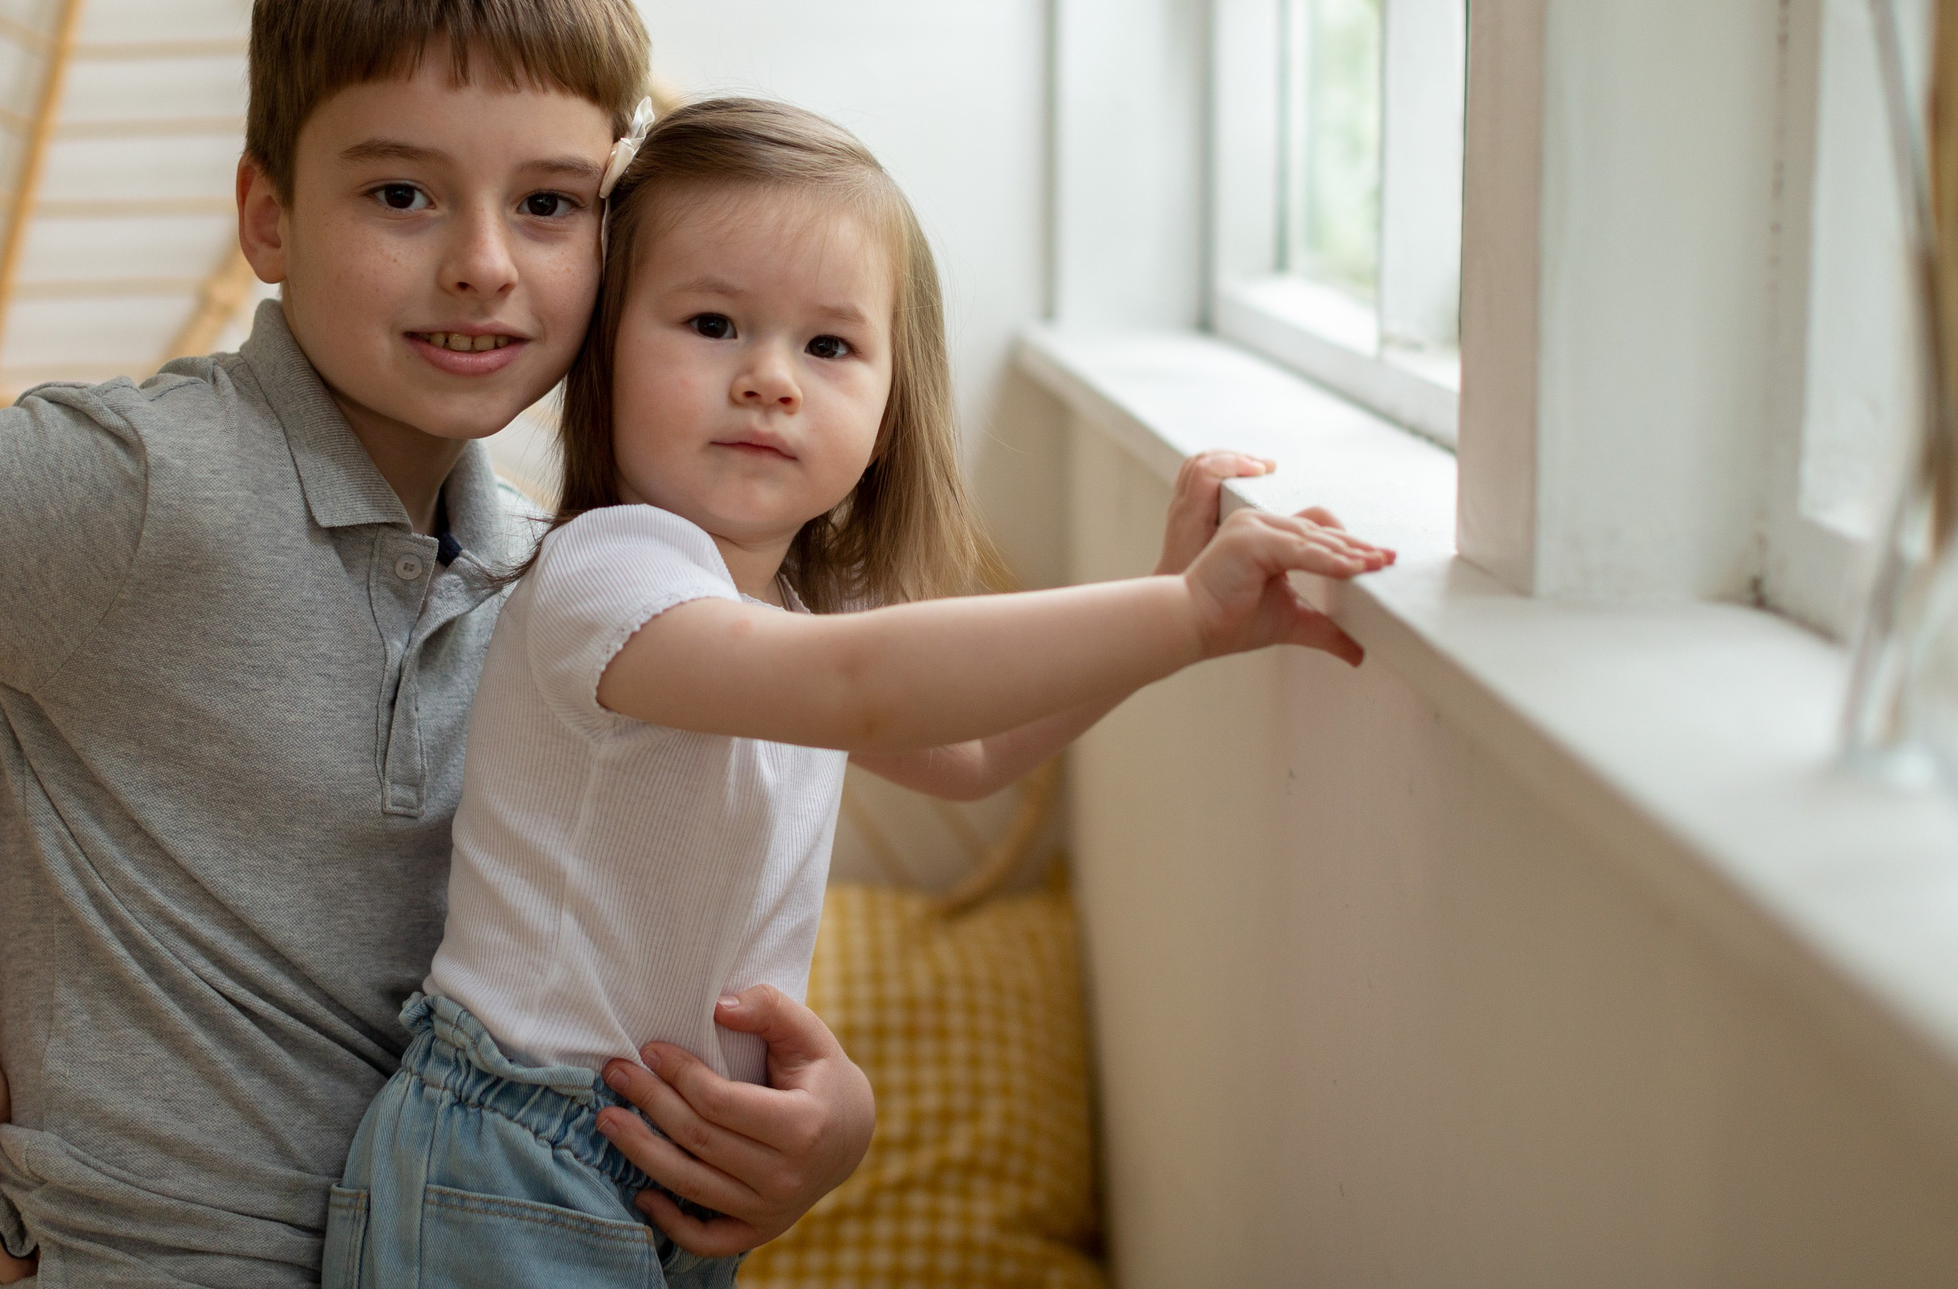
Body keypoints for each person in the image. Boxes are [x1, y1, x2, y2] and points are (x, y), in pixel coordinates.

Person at [0, 0, 878, 1287]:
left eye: (552, 204)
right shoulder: (135, 483)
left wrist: (823, 1123)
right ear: (268, 216)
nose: (483, 264)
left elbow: (604, 958)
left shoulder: (565, 580)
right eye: (402, 191)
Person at [322, 98, 1392, 1287]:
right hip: (514, 1153)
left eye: (828, 347)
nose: (770, 380)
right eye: (713, 323)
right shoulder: (607, 575)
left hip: (665, 1162)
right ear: (603, 355)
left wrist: (1170, 623)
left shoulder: (774, 628)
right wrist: (1180, 611)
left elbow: (975, 753)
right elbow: (864, 688)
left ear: (887, 412)